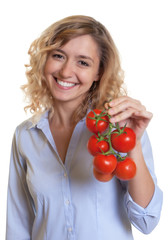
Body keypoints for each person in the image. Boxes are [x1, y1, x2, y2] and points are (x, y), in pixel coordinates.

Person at [6, 15, 163, 240]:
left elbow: (147, 221)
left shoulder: (118, 129)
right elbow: (18, 225)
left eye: (83, 62)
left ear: (98, 72)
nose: (66, 72)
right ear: (45, 60)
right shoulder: (25, 135)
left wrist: (134, 144)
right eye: (58, 56)